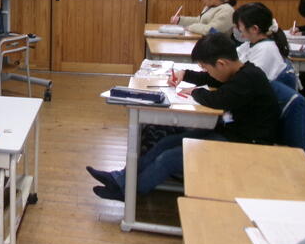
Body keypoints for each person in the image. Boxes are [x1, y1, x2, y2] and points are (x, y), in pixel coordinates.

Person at [87, 33, 279, 201]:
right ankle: (120, 179)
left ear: (221, 63)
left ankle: (128, 193)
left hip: (246, 144)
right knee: (165, 143)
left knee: (169, 158)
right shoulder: (239, 72)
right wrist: (184, 74)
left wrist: (194, 92)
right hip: (231, 133)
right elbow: (210, 79)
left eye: (206, 68)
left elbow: (217, 100)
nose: (206, 73)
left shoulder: (248, 79)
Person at [233, 2, 292, 81]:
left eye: (239, 26)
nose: (238, 29)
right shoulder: (251, 43)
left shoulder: (266, 49)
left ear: (254, 29)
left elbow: (248, 80)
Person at [170, 0, 237, 36]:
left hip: (218, 46)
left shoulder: (227, 11)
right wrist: (180, 20)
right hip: (206, 42)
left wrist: (190, 27)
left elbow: (211, 30)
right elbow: (199, 20)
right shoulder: (210, 7)